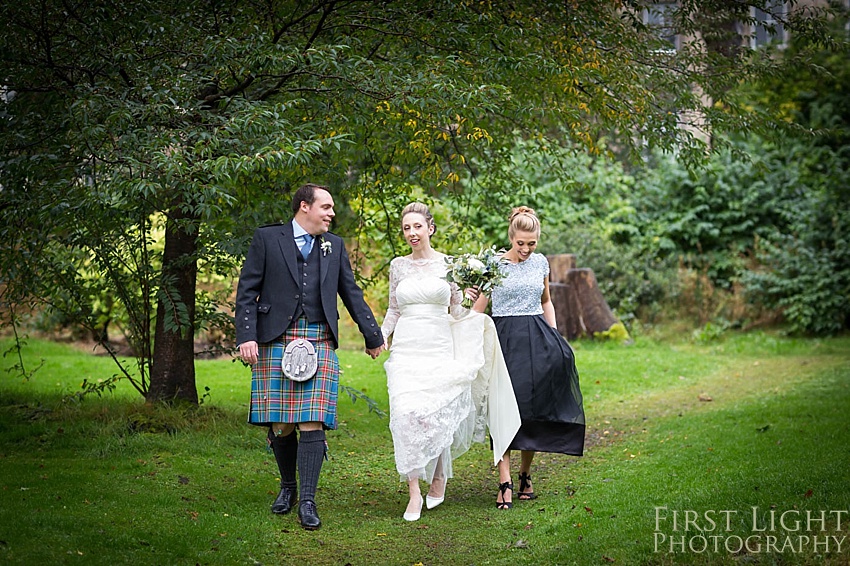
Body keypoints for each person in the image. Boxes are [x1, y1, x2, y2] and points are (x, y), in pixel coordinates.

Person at [235, 183, 385, 531]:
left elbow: (351, 291)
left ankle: (307, 500)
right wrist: (247, 336)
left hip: (318, 337)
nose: (331, 214)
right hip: (275, 336)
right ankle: (287, 486)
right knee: (282, 423)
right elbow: (247, 290)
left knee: (312, 419)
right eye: (326, 207)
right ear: (305, 207)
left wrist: (372, 334)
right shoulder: (268, 239)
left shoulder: (334, 245)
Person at [380, 202, 520, 521]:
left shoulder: (449, 265)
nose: (412, 233)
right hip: (406, 347)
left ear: (430, 228)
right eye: (406, 228)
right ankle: (414, 492)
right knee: (404, 415)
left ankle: (439, 475)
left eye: (417, 226)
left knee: (435, 411)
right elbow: (393, 308)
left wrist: (473, 301)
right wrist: (380, 335)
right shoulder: (397, 266)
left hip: (438, 344)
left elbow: (456, 311)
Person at [473, 206, 585, 510]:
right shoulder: (494, 265)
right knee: (502, 409)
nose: (525, 249)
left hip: (537, 337)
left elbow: (546, 301)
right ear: (511, 237)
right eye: (520, 243)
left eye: (531, 243)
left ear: (537, 240)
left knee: (531, 408)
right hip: (504, 340)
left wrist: (555, 334)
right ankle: (504, 481)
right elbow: (478, 308)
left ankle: (524, 474)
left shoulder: (540, 263)